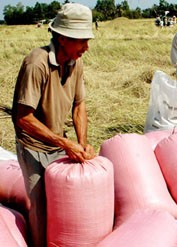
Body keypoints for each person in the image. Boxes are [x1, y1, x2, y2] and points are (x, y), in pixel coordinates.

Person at [12, 3, 96, 246]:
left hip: (59, 143)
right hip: (33, 147)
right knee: (40, 206)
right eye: (81, 41)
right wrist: (64, 143)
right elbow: (23, 118)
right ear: (62, 38)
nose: (86, 47)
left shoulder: (75, 62)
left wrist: (81, 144)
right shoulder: (36, 63)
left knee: (66, 202)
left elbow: (79, 105)